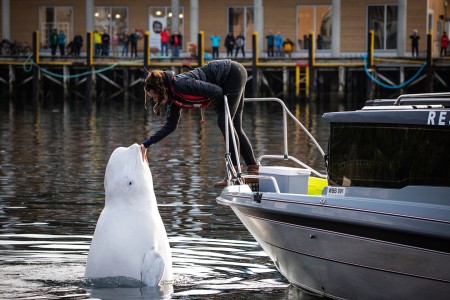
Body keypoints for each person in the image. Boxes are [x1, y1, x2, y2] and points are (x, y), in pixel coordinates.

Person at [140, 59, 259, 187]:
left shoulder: (180, 84)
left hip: (231, 73)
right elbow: (170, 126)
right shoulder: (173, 96)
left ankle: (234, 173)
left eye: (152, 96)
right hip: (233, 74)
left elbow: (217, 91)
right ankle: (254, 171)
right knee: (234, 126)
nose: (153, 99)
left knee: (225, 122)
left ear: (160, 89)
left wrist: (219, 110)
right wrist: (146, 145)